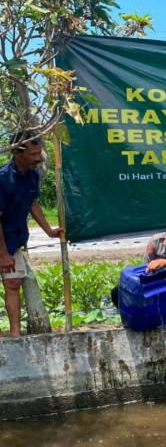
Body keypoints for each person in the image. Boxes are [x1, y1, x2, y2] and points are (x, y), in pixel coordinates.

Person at [0, 131, 64, 337]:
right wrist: (3, 254)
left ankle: (15, 335)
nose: (38, 158)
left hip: (13, 238)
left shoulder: (33, 175)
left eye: (39, 153)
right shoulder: (3, 178)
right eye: (33, 154)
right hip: (2, 241)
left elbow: (33, 203)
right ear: (17, 153)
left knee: (13, 283)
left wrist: (49, 231)